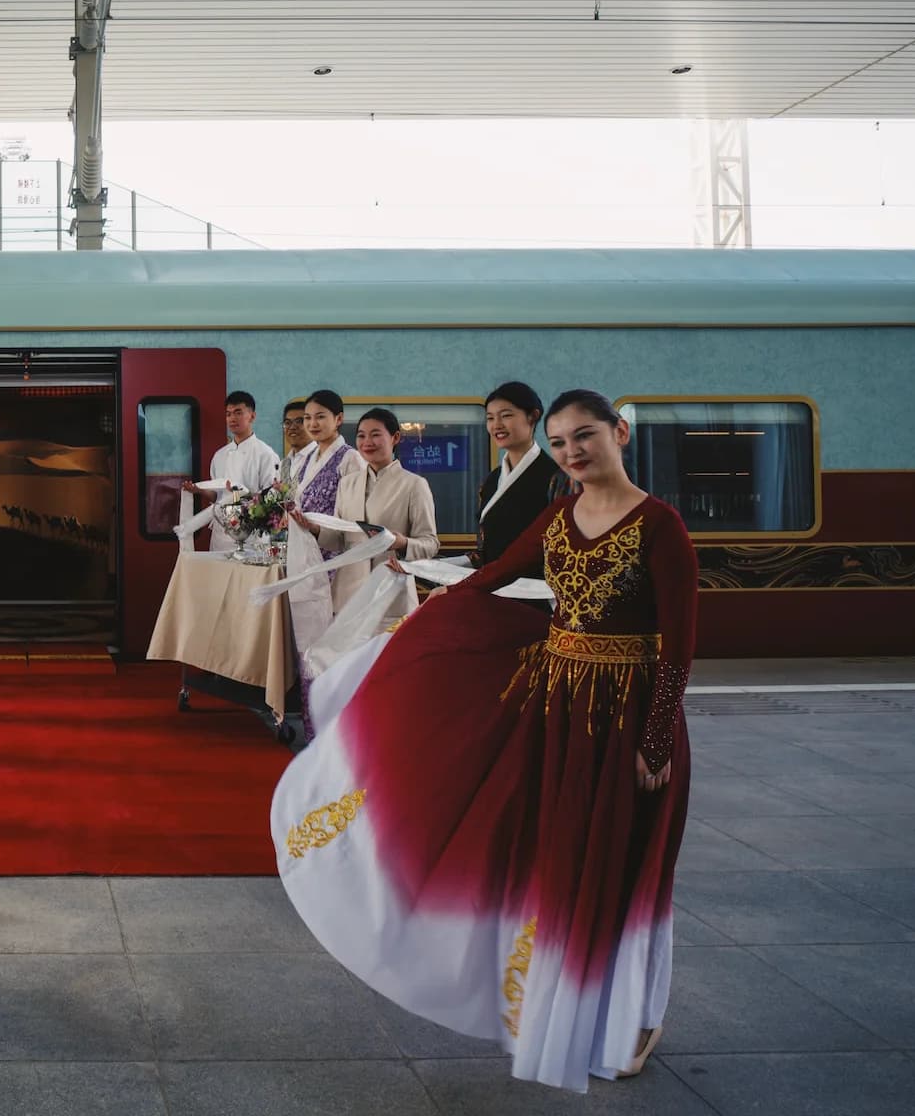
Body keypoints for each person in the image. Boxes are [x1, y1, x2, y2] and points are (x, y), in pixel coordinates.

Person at [269, 389, 698, 1092]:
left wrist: (656, 742)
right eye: (560, 443)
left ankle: (636, 1015)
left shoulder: (661, 527)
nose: (572, 453)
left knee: (626, 864)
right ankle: (570, 1009)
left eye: (584, 436)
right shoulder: (559, 514)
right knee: (560, 856)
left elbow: (679, 647)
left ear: (619, 433)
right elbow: (494, 576)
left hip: (628, 718)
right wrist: (422, 620)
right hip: (557, 706)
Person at [297, 407, 440, 626]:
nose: (367, 442)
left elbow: (430, 544)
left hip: (390, 593)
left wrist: (402, 543)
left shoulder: (414, 485)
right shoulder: (348, 484)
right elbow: (340, 539)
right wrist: (315, 529)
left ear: (395, 437)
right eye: (361, 436)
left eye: (375, 435)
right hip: (347, 595)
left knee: (383, 659)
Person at [476, 381, 565, 566]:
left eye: (506, 416)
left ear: (533, 416)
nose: (496, 425)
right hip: (492, 586)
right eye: (490, 418)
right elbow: (485, 552)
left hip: (538, 590)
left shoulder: (557, 478)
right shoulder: (491, 481)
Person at [183, 389, 281, 549]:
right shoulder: (220, 455)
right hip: (222, 533)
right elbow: (218, 496)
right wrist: (199, 491)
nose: (232, 418)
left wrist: (243, 497)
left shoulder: (266, 454)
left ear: (252, 416)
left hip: (252, 535)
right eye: (228, 414)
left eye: (238, 413)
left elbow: (271, 499)